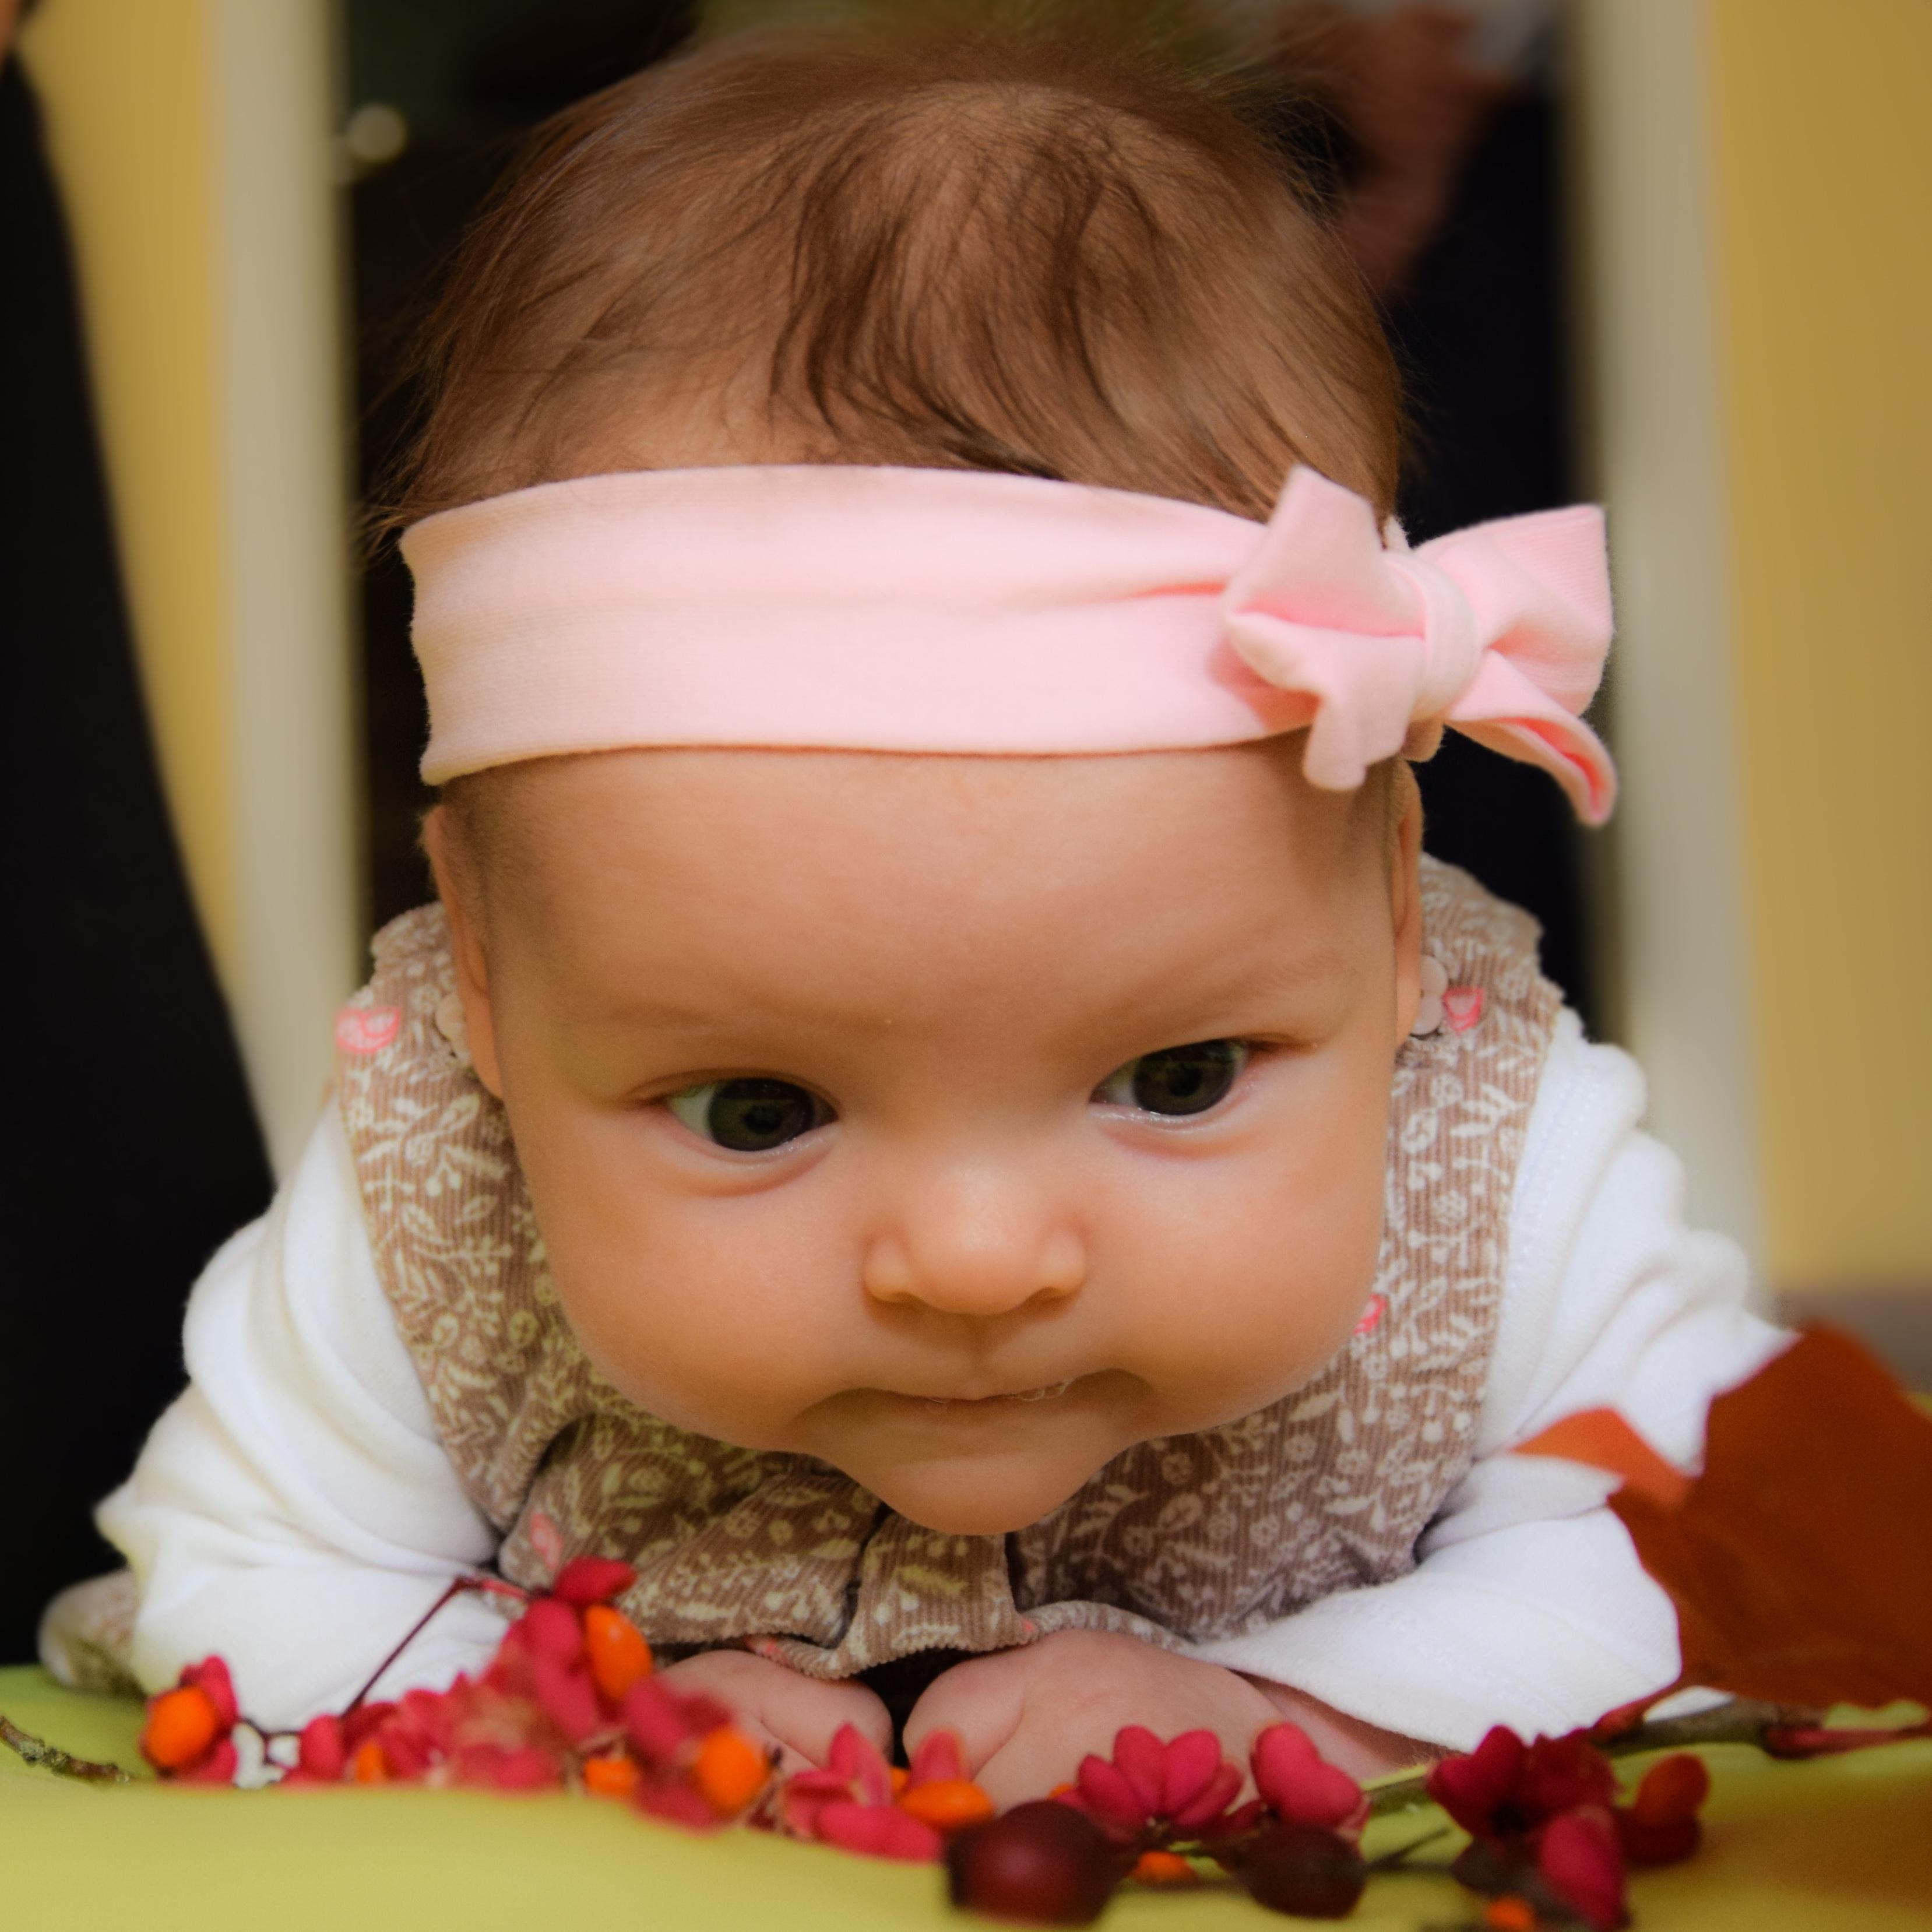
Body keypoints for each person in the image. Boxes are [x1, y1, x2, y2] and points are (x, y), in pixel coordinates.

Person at [54, 10, 1779, 1803]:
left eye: (1178, 1077)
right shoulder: (438, 1182)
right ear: (486, 982)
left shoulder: (1493, 1142)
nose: (972, 1261)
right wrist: (583, 1716)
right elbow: (238, 1567)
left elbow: (1710, 1543)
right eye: (757, 1110)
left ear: (1395, 925)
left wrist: (1291, 1711)